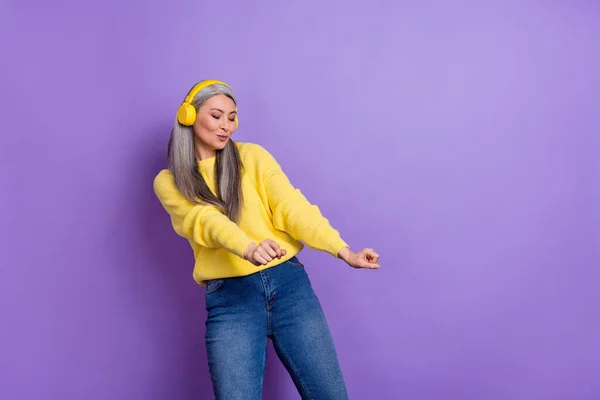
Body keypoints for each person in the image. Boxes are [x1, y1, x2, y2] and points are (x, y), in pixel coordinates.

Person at [153, 79, 380, 400]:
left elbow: (292, 207)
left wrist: (343, 250)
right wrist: (247, 246)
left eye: (232, 117)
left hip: (290, 288)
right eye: (216, 115)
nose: (226, 126)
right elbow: (203, 220)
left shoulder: (253, 157)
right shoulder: (170, 182)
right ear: (188, 116)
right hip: (232, 300)